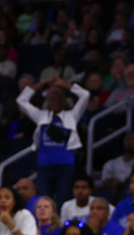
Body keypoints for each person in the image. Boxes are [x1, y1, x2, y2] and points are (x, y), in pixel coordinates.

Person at [15, 77, 89, 205]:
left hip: (65, 165)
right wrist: (42, 83)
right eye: (51, 99)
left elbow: (85, 95)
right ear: (47, 102)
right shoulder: (41, 116)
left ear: (65, 102)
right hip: (44, 166)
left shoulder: (71, 116)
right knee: (44, 202)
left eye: (59, 99)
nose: (54, 101)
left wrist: (64, 84)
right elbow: (21, 100)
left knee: (63, 200)